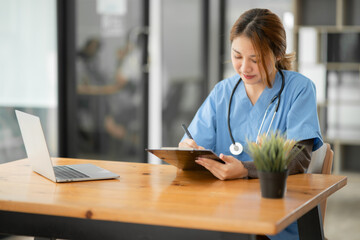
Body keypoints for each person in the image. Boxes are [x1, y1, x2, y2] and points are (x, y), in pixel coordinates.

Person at [178, 8, 323, 240]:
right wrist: (187, 151)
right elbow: (196, 146)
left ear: (277, 54)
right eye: (237, 56)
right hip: (224, 211)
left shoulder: (299, 89)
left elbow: (299, 157)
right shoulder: (222, 92)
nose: (244, 68)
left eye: (255, 59)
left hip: (276, 215)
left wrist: (245, 170)